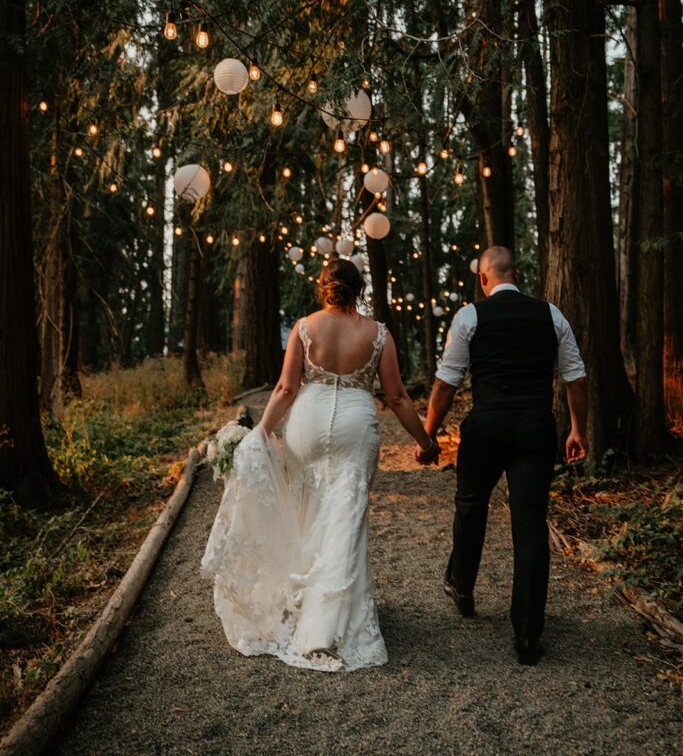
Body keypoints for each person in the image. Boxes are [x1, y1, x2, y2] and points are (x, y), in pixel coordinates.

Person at [201, 257, 438, 672]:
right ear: (359, 289)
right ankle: (324, 627)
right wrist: (424, 440)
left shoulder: (304, 327)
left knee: (306, 510)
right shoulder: (378, 334)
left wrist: (261, 432)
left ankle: (301, 601)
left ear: (324, 288)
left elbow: (287, 386)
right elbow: (397, 396)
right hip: (354, 425)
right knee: (345, 516)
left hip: (306, 424)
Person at [418, 245, 588, 665]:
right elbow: (575, 376)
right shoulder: (551, 315)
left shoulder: (469, 316)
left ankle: (462, 585)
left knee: (471, 505)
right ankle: (528, 633)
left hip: (487, 426)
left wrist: (428, 433)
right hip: (535, 428)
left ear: (484, 278)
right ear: (517, 275)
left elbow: (446, 383)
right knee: (529, 523)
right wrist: (577, 429)